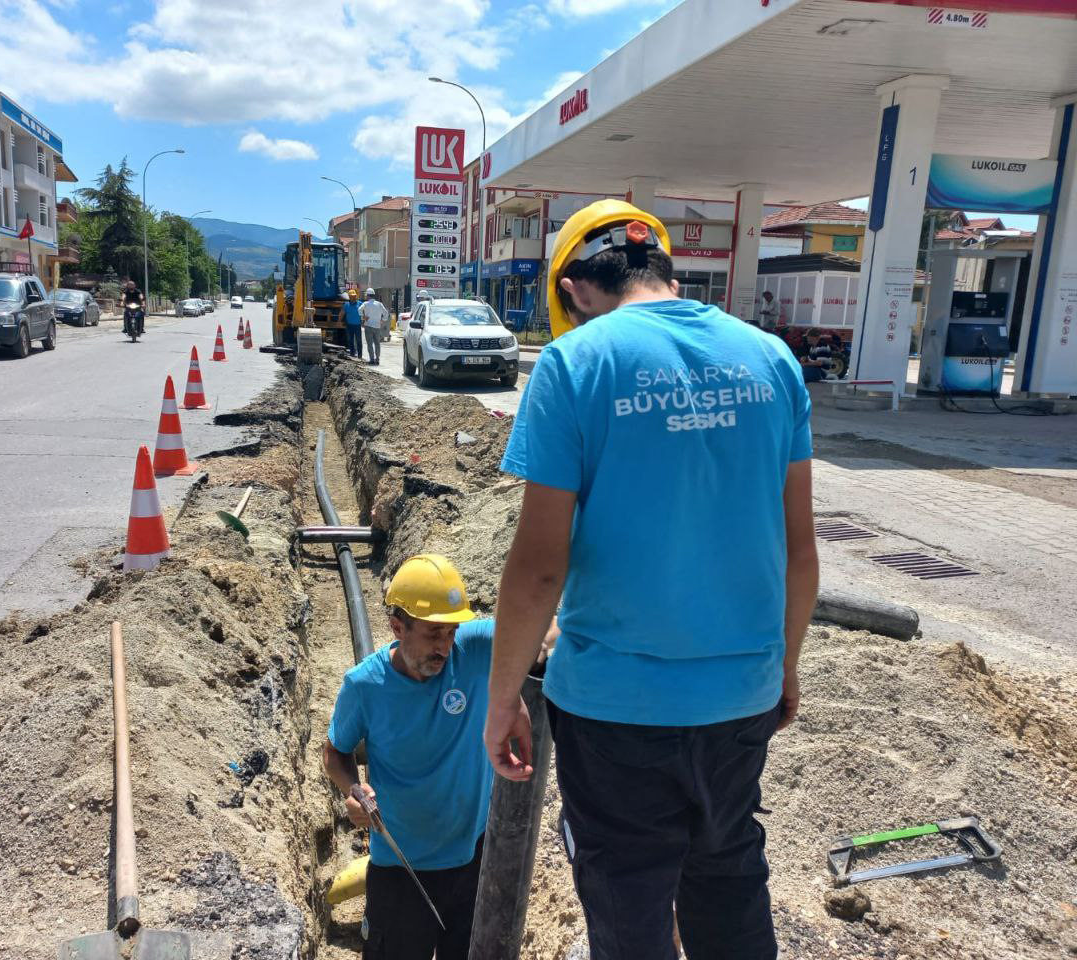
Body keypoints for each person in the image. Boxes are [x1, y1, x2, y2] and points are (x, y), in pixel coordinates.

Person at [485, 199, 819, 960]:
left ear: (573, 290)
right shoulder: (771, 360)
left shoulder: (574, 364)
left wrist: (503, 700)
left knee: (628, 906)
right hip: (741, 696)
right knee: (728, 876)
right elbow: (801, 550)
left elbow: (539, 566)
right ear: (664, 265)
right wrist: (786, 664)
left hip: (615, 711)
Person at [322, 555, 494, 960]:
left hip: (473, 859)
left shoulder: (475, 649)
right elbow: (335, 753)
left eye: (452, 632)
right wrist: (353, 789)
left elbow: (544, 629)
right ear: (398, 627)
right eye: (434, 634)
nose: (446, 646)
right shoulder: (365, 685)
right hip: (401, 868)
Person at [360, 287, 388, 365]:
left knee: (370, 344)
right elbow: (386, 313)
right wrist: (383, 320)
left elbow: (359, 310)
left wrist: (363, 316)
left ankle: (372, 359)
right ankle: (377, 359)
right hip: (377, 326)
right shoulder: (379, 304)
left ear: (368, 295)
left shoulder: (365, 304)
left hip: (368, 326)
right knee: (377, 344)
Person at [342, 288, 363, 358]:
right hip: (349, 325)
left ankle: (360, 355)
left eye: (354, 296)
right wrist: (338, 321)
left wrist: (365, 320)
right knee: (350, 340)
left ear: (356, 296)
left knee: (358, 340)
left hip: (357, 325)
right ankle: (352, 353)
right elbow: (342, 313)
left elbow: (365, 312)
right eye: (351, 296)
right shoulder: (346, 305)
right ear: (349, 297)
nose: (353, 297)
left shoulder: (360, 304)